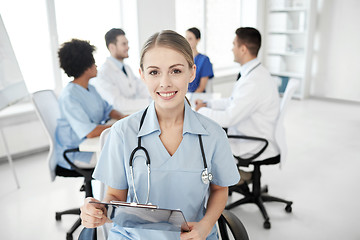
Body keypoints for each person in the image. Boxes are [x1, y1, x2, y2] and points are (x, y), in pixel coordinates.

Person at [80, 30, 240, 239]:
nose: (165, 82)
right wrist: (97, 212)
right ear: (143, 75)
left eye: (175, 71)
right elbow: (114, 199)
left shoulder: (213, 134)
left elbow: (220, 189)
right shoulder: (122, 132)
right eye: (154, 72)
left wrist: (206, 225)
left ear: (192, 73)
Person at [195, 27, 280, 184]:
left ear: (243, 49)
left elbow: (229, 118)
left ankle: (228, 181)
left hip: (254, 140)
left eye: (234, 44)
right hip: (254, 130)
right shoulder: (254, 73)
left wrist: (201, 111)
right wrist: (209, 104)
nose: (231, 48)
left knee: (205, 141)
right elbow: (234, 101)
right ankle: (237, 175)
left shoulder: (253, 81)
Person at [55, 39, 126, 170]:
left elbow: (108, 110)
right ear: (85, 68)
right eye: (93, 62)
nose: (96, 66)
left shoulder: (90, 88)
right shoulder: (69, 96)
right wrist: (121, 125)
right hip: (79, 153)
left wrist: (123, 117)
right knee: (124, 158)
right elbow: (90, 132)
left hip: (93, 144)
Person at [91, 28, 150, 114]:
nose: (128, 47)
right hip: (120, 119)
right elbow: (118, 104)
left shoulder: (127, 68)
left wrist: (157, 97)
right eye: (124, 44)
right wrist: (149, 102)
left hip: (134, 113)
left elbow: (142, 89)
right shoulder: (104, 73)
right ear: (112, 47)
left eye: (127, 43)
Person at [185, 27, 214, 93]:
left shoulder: (204, 60)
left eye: (190, 39)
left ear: (198, 40)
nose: (187, 41)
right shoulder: (182, 59)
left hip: (196, 98)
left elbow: (201, 87)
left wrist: (188, 101)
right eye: (185, 38)